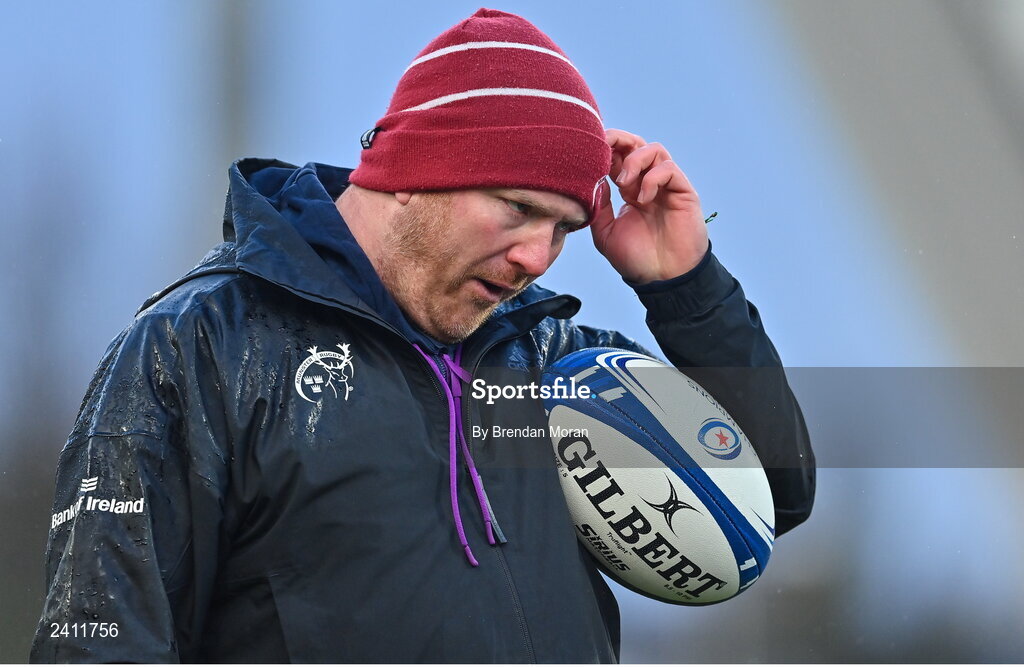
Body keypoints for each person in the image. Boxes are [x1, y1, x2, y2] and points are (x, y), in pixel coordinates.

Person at [31, 8, 814, 663]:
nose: (536, 257)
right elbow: (98, 641)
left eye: (564, 227)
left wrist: (684, 285)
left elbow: (773, 490)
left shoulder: (553, 365)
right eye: (515, 206)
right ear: (414, 169)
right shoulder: (201, 348)